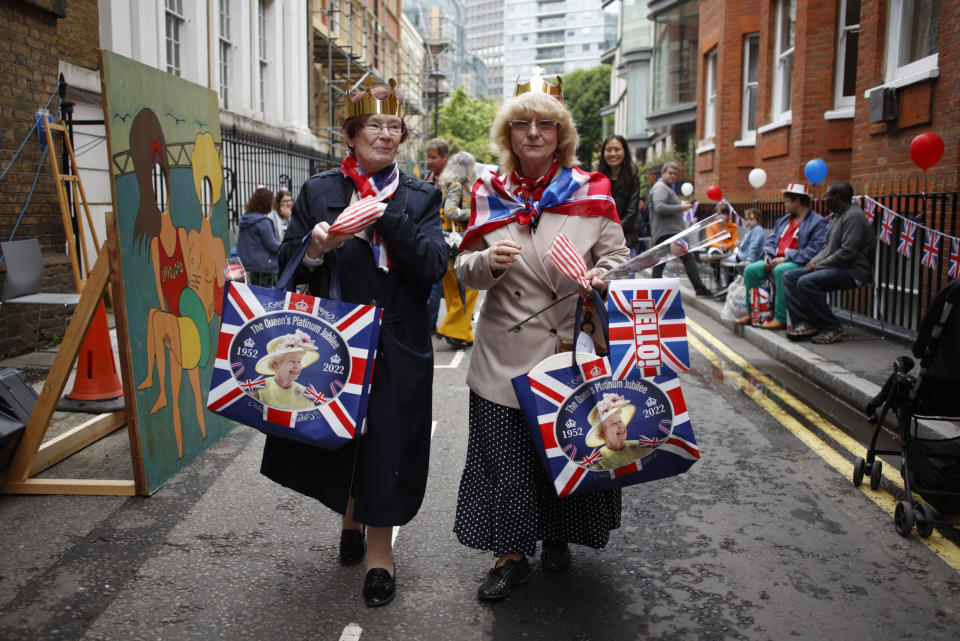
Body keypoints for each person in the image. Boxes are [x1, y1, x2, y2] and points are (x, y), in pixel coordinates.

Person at [259, 78, 447, 608]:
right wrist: (317, 248)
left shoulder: (418, 194)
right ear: (351, 133)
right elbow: (288, 266)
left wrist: (386, 216)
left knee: (387, 443)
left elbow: (433, 266)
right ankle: (348, 516)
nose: (385, 135)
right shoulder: (319, 192)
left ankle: (380, 555)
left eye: (394, 127)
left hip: (397, 338)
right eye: (374, 125)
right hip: (334, 335)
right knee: (341, 434)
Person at [452, 74, 629, 602]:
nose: (533, 132)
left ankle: (558, 536)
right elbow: (462, 268)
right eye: (522, 124)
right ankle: (510, 556)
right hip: (506, 353)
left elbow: (619, 257)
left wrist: (603, 277)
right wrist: (487, 262)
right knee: (507, 459)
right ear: (508, 135)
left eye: (545, 124)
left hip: (572, 350)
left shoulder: (593, 189)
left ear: (561, 135)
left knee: (569, 447)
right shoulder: (488, 192)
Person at [783, 181, 875, 344]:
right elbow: (828, 247)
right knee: (789, 276)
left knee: (806, 282)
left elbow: (847, 252)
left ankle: (832, 326)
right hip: (835, 267)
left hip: (853, 271)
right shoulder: (837, 216)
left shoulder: (853, 216)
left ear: (837, 197)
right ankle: (804, 324)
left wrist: (817, 266)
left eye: (827, 196)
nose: (824, 200)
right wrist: (814, 261)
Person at [736, 183, 828, 330]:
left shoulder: (818, 222)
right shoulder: (783, 221)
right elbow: (771, 241)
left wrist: (786, 258)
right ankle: (754, 313)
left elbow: (814, 250)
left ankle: (781, 318)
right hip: (775, 260)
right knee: (750, 270)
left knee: (781, 270)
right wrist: (768, 255)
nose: (784, 205)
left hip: (797, 263)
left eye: (786, 201)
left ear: (797, 200)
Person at [649, 162, 714, 297]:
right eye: (670, 173)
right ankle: (700, 289)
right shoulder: (661, 187)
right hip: (669, 233)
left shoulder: (665, 187)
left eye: (675, 174)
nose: (673, 176)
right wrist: (681, 207)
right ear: (663, 173)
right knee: (687, 258)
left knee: (660, 262)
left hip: (667, 232)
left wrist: (679, 204)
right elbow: (659, 207)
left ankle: (654, 292)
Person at [436, 151, 479, 349]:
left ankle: (463, 334)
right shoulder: (457, 186)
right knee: (468, 291)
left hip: (448, 248)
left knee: (455, 295)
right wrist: (475, 213)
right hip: (456, 247)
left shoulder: (447, 185)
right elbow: (451, 211)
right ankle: (450, 329)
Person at [584, 393, 654, 470]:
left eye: (620, 421)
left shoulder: (642, 446)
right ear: (602, 434)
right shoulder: (598, 460)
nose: (621, 426)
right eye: (614, 423)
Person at [254, 330, 320, 410]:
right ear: (276, 365)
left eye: (299, 361)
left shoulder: (305, 394)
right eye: (292, 361)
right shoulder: (259, 388)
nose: (296, 366)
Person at [597, 135, 640, 257]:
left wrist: (612, 231)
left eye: (617, 149)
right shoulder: (597, 180)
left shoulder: (633, 180)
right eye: (609, 149)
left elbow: (631, 214)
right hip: (601, 242)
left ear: (625, 152)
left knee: (628, 276)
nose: (613, 153)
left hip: (626, 241)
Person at [423, 138, 450, 333]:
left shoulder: (451, 180)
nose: (430, 161)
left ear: (445, 157)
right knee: (434, 283)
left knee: (441, 285)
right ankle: (431, 322)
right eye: (428, 157)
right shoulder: (428, 177)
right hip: (430, 234)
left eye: (434, 157)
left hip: (448, 237)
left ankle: (434, 323)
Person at [237, 187, 281, 286]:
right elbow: (272, 245)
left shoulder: (245, 218)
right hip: (263, 268)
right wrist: (288, 246)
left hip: (246, 265)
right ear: (266, 203)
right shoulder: (263, 222)